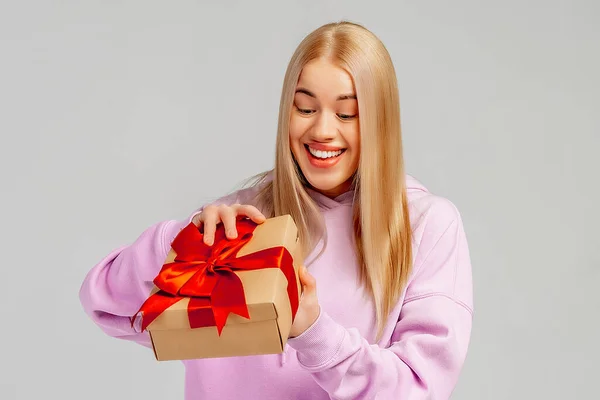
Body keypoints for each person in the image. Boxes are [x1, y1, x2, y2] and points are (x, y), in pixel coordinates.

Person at [79, 21, 473, 400]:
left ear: (380, 121)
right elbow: (105, 303)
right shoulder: (240, 219)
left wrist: (314, 333)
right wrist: (180, 241)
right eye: (304, 108)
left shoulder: (426, 226)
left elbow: (420, 389)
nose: (322, 130)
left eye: (346, 113)